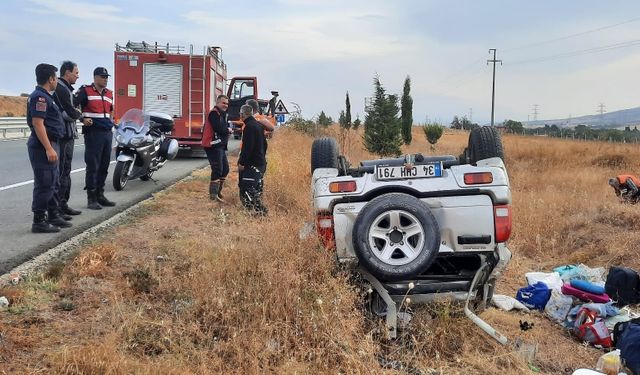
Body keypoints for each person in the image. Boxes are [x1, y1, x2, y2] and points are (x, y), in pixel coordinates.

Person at [26, 63, 72, 233]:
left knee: (53, 181)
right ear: (51, 79)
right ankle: (39, 221)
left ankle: (52, 215)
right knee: (44, 183)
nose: (56, 82)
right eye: (55, 78)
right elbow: (38, 124)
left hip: (51, 143)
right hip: (42, 145)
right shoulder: (40, 97)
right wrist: (48, 148)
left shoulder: (46, 96)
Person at [75, 67, 116, 210]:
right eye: (103, 76)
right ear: (95, 77)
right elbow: (73, 106)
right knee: (93, 166)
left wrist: (112, 122)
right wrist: (82, 118)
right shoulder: (85, 91)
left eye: (107, 77)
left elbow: (111, 110)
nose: (105, 79)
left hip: (106, 133)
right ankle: (91, 198)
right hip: (93, 133)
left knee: (104, 165)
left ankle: (100, 194)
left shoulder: (109, 93)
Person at [53, 61, 82, 217]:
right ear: (67, 72)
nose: (78, 76)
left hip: (67, 135)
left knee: (65, 172)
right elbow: (70, 113)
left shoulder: (65, 89)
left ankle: (63, 205)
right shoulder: (61, 89)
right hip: (63, 136)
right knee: (62, 172)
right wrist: (79, 115)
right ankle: (57, 208)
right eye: (76, 73)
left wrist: (75, 113)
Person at [237, 104, 267, 216]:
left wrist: (242, 163)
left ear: (242, 114)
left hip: (252, 163)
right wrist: (262, 156)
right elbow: (265, 144)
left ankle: (261, 211)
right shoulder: (258, 125)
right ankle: (253, 211)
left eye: (240, 114)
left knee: (247, 186)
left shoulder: (249, 127)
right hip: (260, 162)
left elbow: (247, 148)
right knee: (256, 187)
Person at [201, 94, 230, 202]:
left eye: (227, 103)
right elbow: (220, 129)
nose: (225, 105)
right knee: (217, 169)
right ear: (217, 102)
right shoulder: (214, 113)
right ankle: (213, 196)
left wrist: (226, 129)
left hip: (219, 145)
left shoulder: (222, 114)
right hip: (212, 145)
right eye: (223, 103)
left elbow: (223, 128)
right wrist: (228, 130)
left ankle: (218, 192)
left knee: (225, 169)